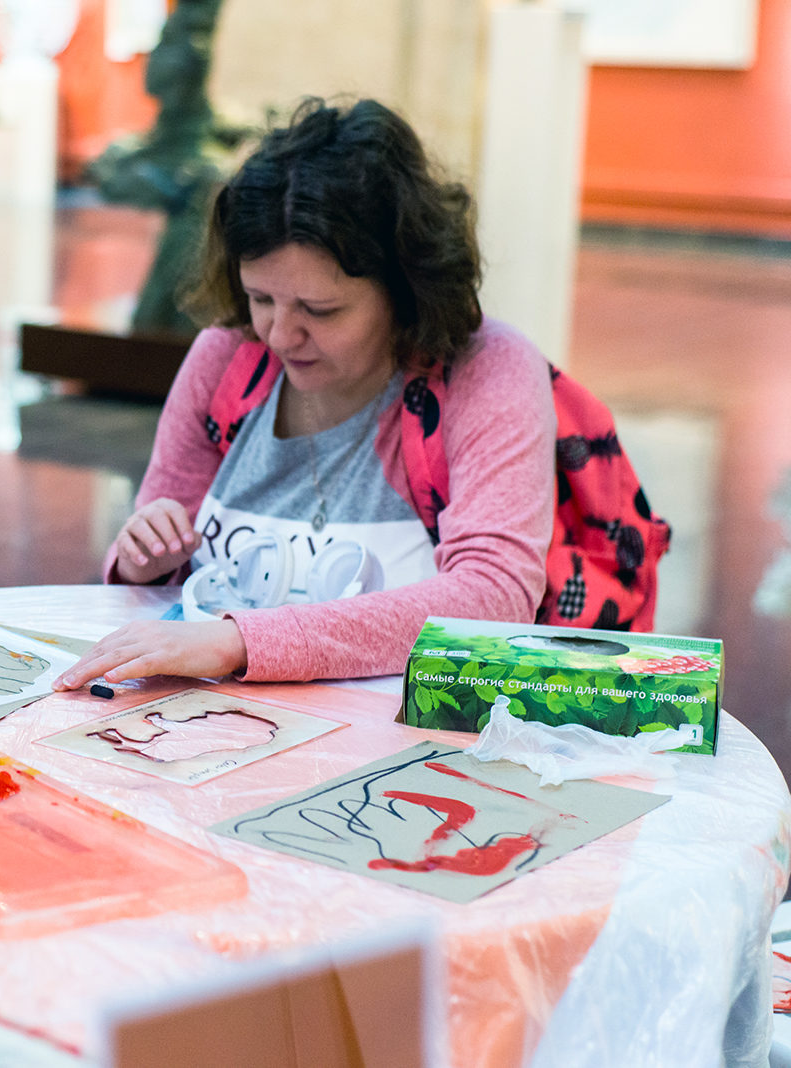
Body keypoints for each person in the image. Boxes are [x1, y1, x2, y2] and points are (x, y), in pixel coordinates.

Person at [55, 98, 556, 690]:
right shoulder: (226, 361)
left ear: (405, 289)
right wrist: (141, 557)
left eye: (321, 310)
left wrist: (243, 642)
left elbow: (494, 596)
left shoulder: (486, 370)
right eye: (260, 299)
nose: (279, 334)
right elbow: (158, 583)